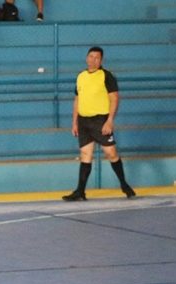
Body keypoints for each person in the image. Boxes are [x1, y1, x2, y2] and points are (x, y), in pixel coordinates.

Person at [63, 46, 136, 201]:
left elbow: (114, 98)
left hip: (100, 120)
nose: (93, 60)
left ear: (101, 60)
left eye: (97, 57)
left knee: (111, 153)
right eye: (90, 56)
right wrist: (74, 122)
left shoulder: (106, 76)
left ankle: (124, 184)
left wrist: (110, 120)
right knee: (85, 155)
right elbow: (77, 99)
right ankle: (80, 191)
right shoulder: (81, 76)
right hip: (84, 121)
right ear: (86, 58)